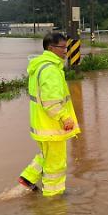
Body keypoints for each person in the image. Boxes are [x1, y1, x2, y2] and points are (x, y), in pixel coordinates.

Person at [17, 31, 80, 197]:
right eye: (63, 48)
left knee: (46, 155)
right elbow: (51, 101)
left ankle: (28, 178)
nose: (66, 51)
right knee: (56, 163)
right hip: (53, 125)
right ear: (51, 48)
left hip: (41, 125)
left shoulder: (40, 66)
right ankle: (54, 198)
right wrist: (65, 118)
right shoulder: (50, 70)